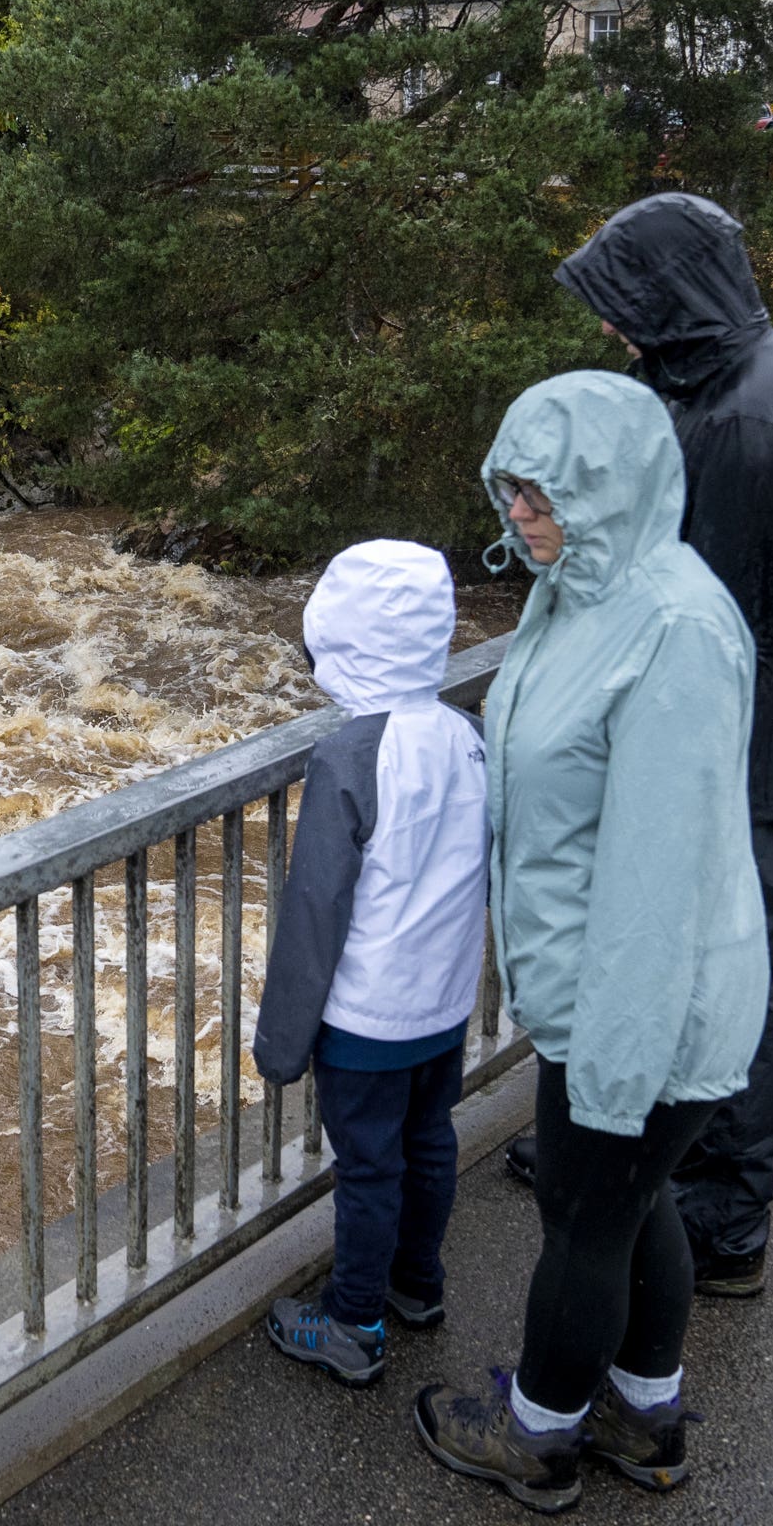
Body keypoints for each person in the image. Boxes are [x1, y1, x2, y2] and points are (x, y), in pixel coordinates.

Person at [415, 372, 767, 1511]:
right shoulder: (581, 589)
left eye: (541, 496)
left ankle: (538, 1433)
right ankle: (645, 1412)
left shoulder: (673, 627)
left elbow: (658, 873)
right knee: (633, 1201)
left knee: (584, 1213)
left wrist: (613, 1063)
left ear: (608, 488)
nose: (520, 518)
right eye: (511, 492)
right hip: (604, 989)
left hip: (644, 999)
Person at [499, 191, 773, 1301]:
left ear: (672, 298)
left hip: (732, 763)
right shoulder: (713, 379)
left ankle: (719, 1214)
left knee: (720, 965)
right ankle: (629, 1160)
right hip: (737, 747)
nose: (610, 329)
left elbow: (716, 630)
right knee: (675, 953)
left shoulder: (745, 417)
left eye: (623, 304)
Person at [250, 539, 491, 1387]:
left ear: (343, 637)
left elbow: (316, 910)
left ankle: (353, 1323)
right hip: (445, 1003)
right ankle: (418, 1284)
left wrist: (281, 1043)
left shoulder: (348, 757)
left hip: (366, 1018)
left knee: (368, 1169)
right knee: (429, 1142)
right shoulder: (469, 736)